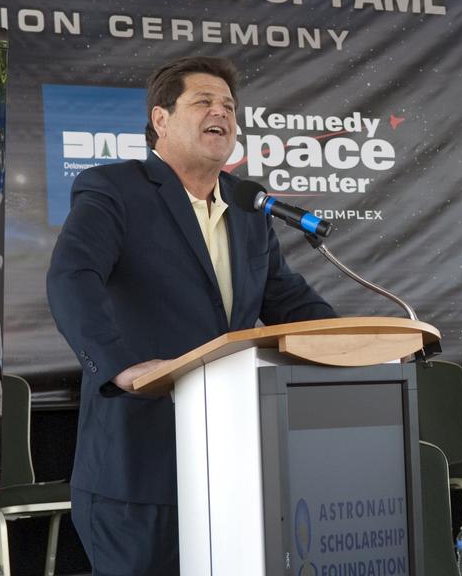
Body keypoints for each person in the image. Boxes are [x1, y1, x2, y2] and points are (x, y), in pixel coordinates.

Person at [47, 55, 336, 576]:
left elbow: (288, 300)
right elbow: (72, 278)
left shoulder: (249, 211)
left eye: (228, 105)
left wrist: (350, 346)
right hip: (140, 468)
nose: (220, 112)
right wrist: (120, 367)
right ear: (161, 120)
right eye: (203, 101)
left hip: (236, 471)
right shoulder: (116, 189)